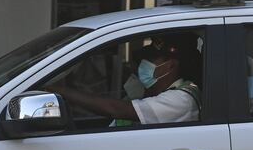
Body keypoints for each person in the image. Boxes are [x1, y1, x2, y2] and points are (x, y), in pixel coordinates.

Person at [49, 35, 201, 125]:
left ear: (170, 66)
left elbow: (116, 109)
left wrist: (59, 90)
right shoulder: (158, 93)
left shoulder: (181, 99)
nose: (143, 64)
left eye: (151, 59)